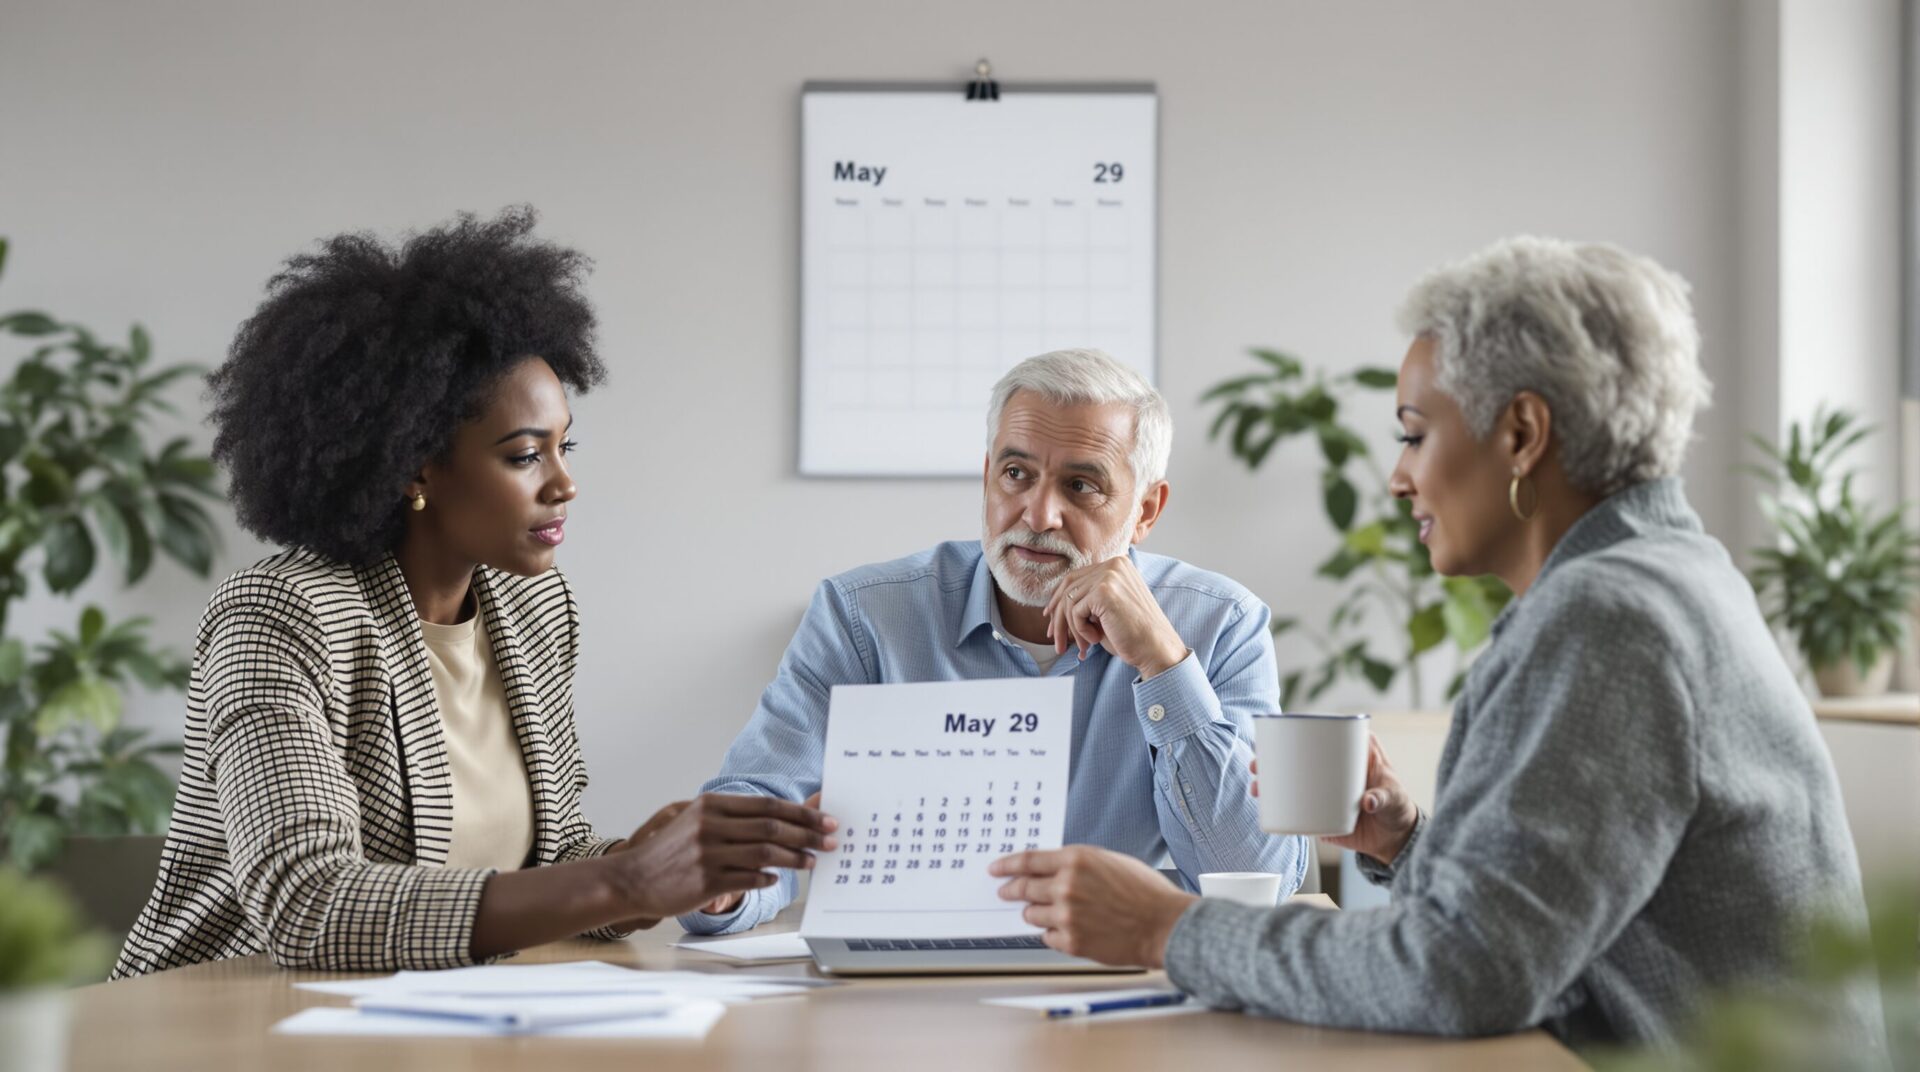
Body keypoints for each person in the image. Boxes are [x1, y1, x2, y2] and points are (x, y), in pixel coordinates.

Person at [989, 237, 1882, 1050]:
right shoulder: (1670, 574)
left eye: (1416, 434)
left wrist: (1165, 928)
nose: (1398, 475)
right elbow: (1530, 933)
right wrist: (1405, 841)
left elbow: (1463, 978)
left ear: (1522, 434)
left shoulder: (1610, 618)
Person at [113, 208, 833, 977]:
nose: (565, 483)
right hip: (224, 1024)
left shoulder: (533, 611)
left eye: (566, 445)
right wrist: (621, 879)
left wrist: (646, 865)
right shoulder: (281, 617)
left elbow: (545, 863)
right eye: (525, 455)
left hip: (428, 1024)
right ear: (415, 467)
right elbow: (308, 906)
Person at [681, 348, 1308, 935]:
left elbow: (1261, 881)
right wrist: (723, 887)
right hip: (908, 971)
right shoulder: (862, 616)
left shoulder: (1221, 624)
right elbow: (763, 799)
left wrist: (1163, 665)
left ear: (1145, 511)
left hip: (1118, 972)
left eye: (1081, 486)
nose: (1038, 515)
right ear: (987, 477)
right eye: (1016, 474)